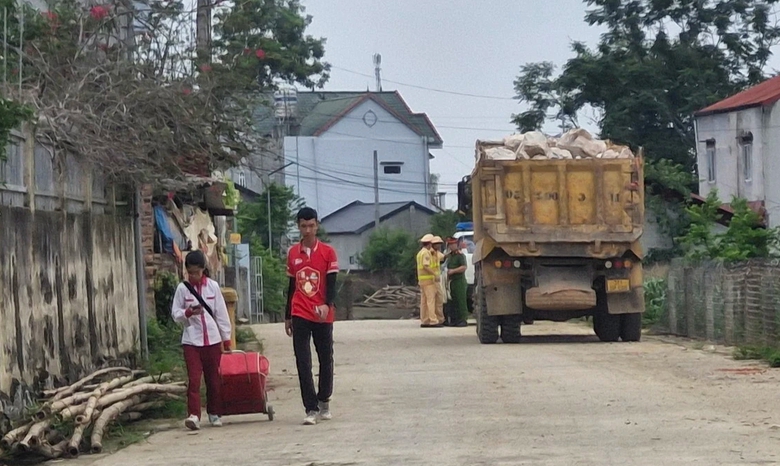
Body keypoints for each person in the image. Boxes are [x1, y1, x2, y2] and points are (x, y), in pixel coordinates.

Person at [285, 207, 339, 425]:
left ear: (317, 225)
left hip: (322, 314)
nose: (307, 230)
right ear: (298, 226)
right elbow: (290, 286)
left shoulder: (328, 252)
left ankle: (324, 398)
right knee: (303, 361)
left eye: (311, 225)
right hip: (300, 311)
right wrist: (287, 315)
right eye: (303, 226)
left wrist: (328, 305)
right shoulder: (292, 253)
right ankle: (310, 407)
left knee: (325, 358)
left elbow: (332, 283)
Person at [171, 250, 232, 431]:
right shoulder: (183, 289)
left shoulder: (212, 287)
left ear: (203, 270)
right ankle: (194, 415)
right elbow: (175, 314)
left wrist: (226, 338)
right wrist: (187, 313)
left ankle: (214, 413)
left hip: (212, 340)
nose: (193, 276)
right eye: (190, 272)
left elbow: (221, 314)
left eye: (196, 272)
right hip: (192, 340)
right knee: (194, 379)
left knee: (213, 379)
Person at [417, 234, 442, 328]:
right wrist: (435, 274)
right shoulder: (426, 253)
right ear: (429, 244)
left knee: (424, 301)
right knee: (431, 301)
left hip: (422, 280)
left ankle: (425, 320)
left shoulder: (420, 253)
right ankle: (433, 320)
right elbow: (425, 265)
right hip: (428, 281)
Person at [445, 237, 469, 327]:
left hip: (459, 281)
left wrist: (453, 271)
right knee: (453, 300)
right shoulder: (449, 256)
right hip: (452, 281)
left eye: (453, 244)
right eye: (450, 245)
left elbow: (464, 267)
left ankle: (463, 319)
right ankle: (454, 320)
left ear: (456, 245)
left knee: (461, 300)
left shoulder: (460, 255)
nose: (451, 246)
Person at [431, 236, 446, 325]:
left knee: (439, 300)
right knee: (433, 301)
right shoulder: (430, 253)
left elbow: (443, 257)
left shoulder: (437, 253)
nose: (439, 246)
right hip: (431, 280)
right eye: (438, 244)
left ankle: (440, 318)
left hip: (436, 279)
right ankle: (435, 319)